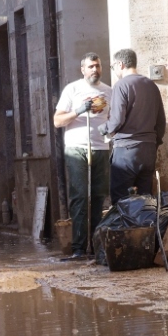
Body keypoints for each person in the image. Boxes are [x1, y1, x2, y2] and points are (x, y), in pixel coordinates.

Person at [53, 53, 112, 258]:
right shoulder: (73, 89)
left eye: (98, 66)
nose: (95, 70)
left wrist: (109, 131)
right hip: (77, 147)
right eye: (91, 66)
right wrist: (78, 110)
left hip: (100, 148)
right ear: (83, 69)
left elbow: (112, 118)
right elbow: (57, 121)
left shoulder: (108, 91)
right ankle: (78, 247)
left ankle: (97, 245)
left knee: (98, 197)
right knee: (79, 196)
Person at [100, 48, 166, 203]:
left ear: (120, 64)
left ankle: (125, 228)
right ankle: (145, 227)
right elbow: (161, 121)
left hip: (126, 150)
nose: (114, 70)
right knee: (145, 200)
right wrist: (154, 143)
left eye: (112, 66)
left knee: (121, 200)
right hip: (148, 150)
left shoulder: (121, 85)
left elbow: (116, 120)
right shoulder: (151, 85)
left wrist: (104, 128)